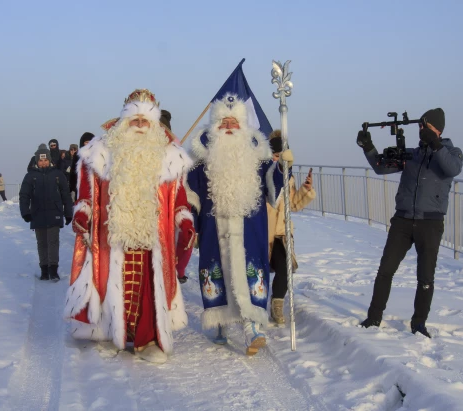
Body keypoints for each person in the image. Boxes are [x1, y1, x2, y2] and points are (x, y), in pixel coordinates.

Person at [63, 89, 195, 364]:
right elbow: (87, 193)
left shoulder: (169, 155)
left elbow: (179, 199)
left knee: (150, 286)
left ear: (154, 122)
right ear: (123, 120)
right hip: (112, 234)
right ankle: (111, 332)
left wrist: (186, 222)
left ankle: (147, 339)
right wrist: (82, 214)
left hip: (152, 235)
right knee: (111, 282)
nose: (140, 125)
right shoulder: (101, 152)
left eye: (145, 120)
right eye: (134, 119)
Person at [186, 94, 293, 356]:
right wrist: (191, 225)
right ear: (215, 126)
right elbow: (192, 195)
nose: (229, 126)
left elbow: (272, 187)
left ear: (244, 126)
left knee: (250, 273)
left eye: (234, 122)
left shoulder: (258, 159)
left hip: (250, 229)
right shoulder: (202, 163)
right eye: (224, 122)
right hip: (214, 229)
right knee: (218, 273)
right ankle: (221, 321)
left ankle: (252, 328)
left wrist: (283, 168)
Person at [357, 108, 463, 338]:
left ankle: (418, 324)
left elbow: (452, 169)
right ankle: (374, 317)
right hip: (402, 221)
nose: (421, 131)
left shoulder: (452, 152)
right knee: (385, 270)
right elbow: (381, 167)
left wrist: (435, 144)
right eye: (420, 127)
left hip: (430, 224)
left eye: (426, 128)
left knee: (425, 278)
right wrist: (368, 147)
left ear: (437, 129)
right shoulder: (413, 154)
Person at [266, 130, 316, 324]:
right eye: (276, 156)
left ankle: (277, 305)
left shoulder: (289, 178)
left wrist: (306, 189)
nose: (279, 160)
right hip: (262, 233)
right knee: (255, 271)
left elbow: (293, 204)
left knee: (284, 267)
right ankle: (249, 306)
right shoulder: (261, 175)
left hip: (281, 233)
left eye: (282, 156)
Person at [19, 144, 73, 282]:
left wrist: (68, 213)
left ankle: (53, 270)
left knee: (53, 242)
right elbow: (24, 195)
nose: (43, 163)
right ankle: (44, 269)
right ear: (37, 161)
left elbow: (65, 194)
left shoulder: (57, 174)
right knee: (42, 243)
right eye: (40, 160)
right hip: (37, 214)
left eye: (45, 160)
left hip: (54, 212)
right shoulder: (30, 176)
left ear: (49, 160)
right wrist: (25, 212)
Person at [69, 133, 94, 199]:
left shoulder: (97, 155)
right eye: (86, 142)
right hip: (81, 187)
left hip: (94, 187)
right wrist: (73, 188)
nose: (88, 144)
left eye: (90, 142)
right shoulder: (77, 156)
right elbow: (73, 173)